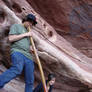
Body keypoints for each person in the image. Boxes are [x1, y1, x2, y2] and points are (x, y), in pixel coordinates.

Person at [0, 14, 37, 92]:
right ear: (25, 19)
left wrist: (32, 49)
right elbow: (11, 38)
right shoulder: (16, 26)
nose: (31, 24)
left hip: (29, 56)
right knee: (17, 69)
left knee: (30, 79)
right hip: (18, 52)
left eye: (32, 23)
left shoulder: (29, 33)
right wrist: (25, 34)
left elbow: (29, 46)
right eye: (30, 21)